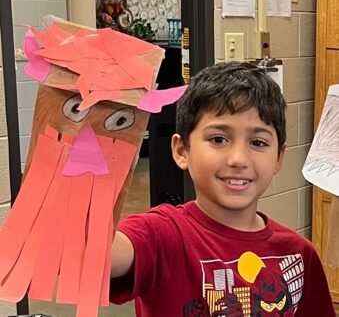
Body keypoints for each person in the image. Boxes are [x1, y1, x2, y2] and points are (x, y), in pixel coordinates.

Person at [109, 62, 335, 316]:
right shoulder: (161, 235)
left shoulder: (298, 253)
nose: (238, 159)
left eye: (258, 142)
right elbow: (98, 256)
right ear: (182, 150)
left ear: (279, 158)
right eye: (218, 139)